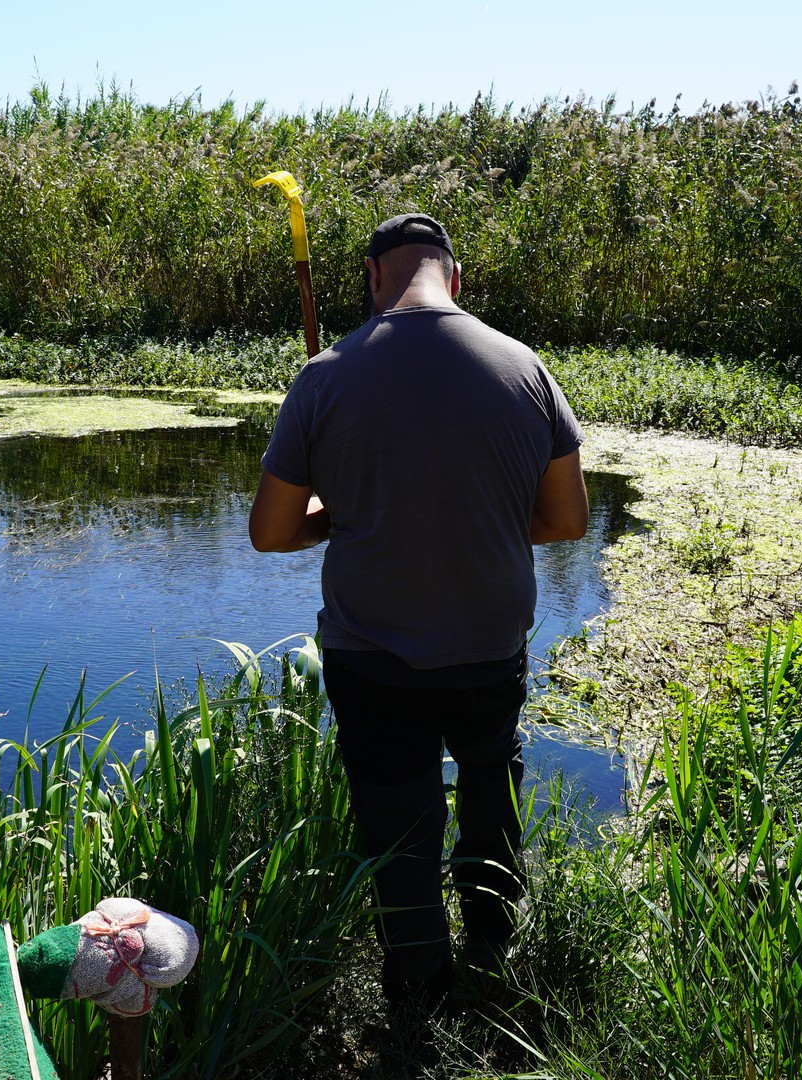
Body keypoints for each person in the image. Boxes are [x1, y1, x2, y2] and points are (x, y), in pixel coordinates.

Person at [248, 213, 589, 1039]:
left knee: (397, 826)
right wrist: (480, 519)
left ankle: (418, 1002)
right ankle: (494, 948)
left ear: (373, 278)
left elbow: (271, 533)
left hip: (373, 656)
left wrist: (346, 511)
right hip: (489, 648)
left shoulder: (326, 375)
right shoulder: (525, 367)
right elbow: (566, 520)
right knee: (489, 788)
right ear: (454, 277)